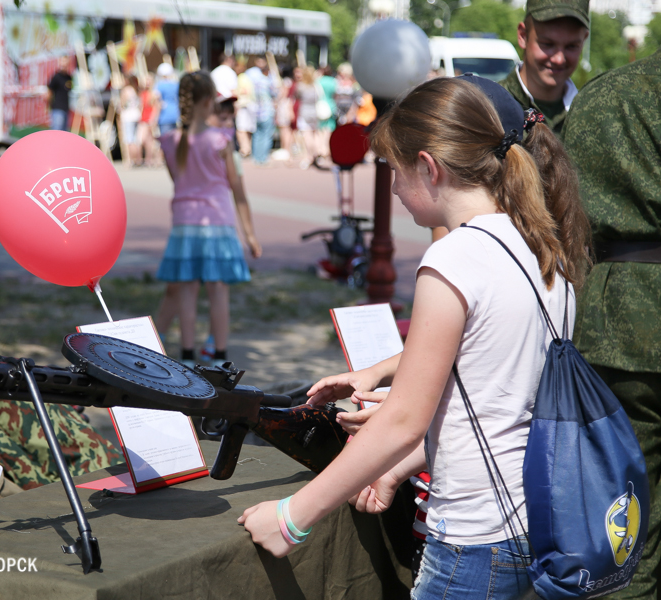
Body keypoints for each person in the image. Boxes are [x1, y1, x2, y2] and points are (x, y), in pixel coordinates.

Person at [239, 76, 590, 600]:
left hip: (472, 540)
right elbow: (500, 402)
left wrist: (292, 517)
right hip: (530, 521)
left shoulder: (453, 259)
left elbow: (404, 421)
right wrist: (397, 468)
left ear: (428, 167)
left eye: (395, 172)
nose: (396, 190)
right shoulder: (544, 250)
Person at [561, 50, 661, 600]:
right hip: (617, 320)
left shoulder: (602, 94)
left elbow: (565, 216)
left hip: (615, 324)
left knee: (623, 519)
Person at [157, 71, 261, 368]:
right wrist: (250, 235)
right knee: (218, 290)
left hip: (184, 222)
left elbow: (178, 181)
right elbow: (237, 189)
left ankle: (187, 356)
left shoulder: (170, 141)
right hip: (217, 221)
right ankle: (220, 357)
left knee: (187, 289)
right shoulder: (221, 140)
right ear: (207, 101)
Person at [498, 0, 590, 134]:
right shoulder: (489, 110)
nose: (559, 59)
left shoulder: (593, 115)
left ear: (584, 40)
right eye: (547, 44)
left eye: (571, 46)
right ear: (523, 36)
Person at [246, 57, 277, 164]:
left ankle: (256, 157)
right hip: (266, 111)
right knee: (265, 135)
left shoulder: (253, 78)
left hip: (256, 111)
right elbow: (275, 94)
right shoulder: (268, 81)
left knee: (258, 135)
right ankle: (262, 158)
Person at [294, 66, 320, 169]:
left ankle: (309, 156)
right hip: (314, 112)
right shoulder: (315, 86)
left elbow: (296, 97)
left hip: (305, 112)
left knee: (307, 135)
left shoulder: (301, 86)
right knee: (315, 134)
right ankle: (317, 152)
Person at [234, 57, 256, 159]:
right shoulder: (247, 77)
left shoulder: (241, 78)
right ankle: (248, 148)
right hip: (250, 105)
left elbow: (245, 91)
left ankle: (244, 149)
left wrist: (234, 93)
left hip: (244, 106)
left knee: (241, 129)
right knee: (247, 129)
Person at [120, 75, 143, 167]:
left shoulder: (126, 90)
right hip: (136, 115)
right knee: (136, 139)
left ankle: (131, 160)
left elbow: (122, 103)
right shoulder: (136, 90)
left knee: (129, 139)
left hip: (128, 116)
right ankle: (138, 159)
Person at [47, 55, 72, 132]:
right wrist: (49, 106)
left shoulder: (69, 77)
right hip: (57, 109)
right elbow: (49, 92)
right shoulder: (56, 77)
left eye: (65, 61)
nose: (64, 64)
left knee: (64, 134)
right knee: (56, 133)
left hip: (66, 109)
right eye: (62, 61)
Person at [316, 65, 337, 157]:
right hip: (331, 105)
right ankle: (326, 148)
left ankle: (321, 148)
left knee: (320, 129)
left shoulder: (318, 81)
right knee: (329, 129)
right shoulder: (334, 81)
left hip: (320, 105)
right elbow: (335, 95)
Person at [154, 63, 180, 136]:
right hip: (176, 115)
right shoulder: (176, 84)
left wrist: (155, 118)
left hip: (164, 117)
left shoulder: (160, 85)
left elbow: (157, 102)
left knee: (166, 143)